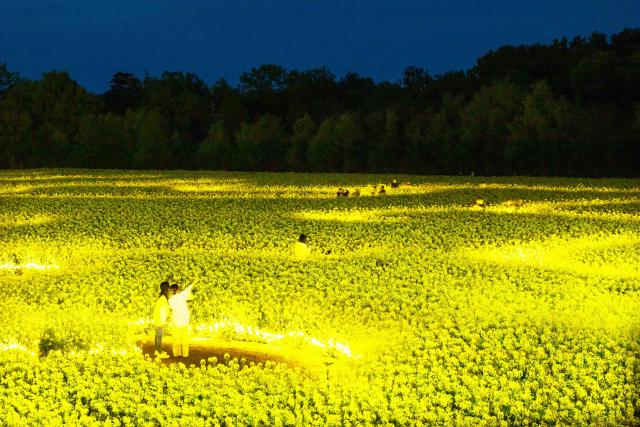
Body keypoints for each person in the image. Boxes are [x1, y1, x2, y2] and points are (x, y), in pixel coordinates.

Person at [169, 281, 196, 358]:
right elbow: (190, 286)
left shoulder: (170, 300)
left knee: (176, 338)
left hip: (176, 321)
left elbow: (171, 308)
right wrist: (195, 280)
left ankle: (177, 354)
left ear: (171, 291)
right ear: (178, 290)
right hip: (184, 320)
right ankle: (185, 354)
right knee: (185, 338)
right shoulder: (182, 295)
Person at [153, 281, 171, 358]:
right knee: (159, 336)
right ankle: (159, 353)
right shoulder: (163, 299)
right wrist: (164, 321)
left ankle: (157, 351)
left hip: (158, 319)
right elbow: (163, 311)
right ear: (166, 289)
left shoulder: (161, 298)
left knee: (157, 336)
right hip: (160, 320)